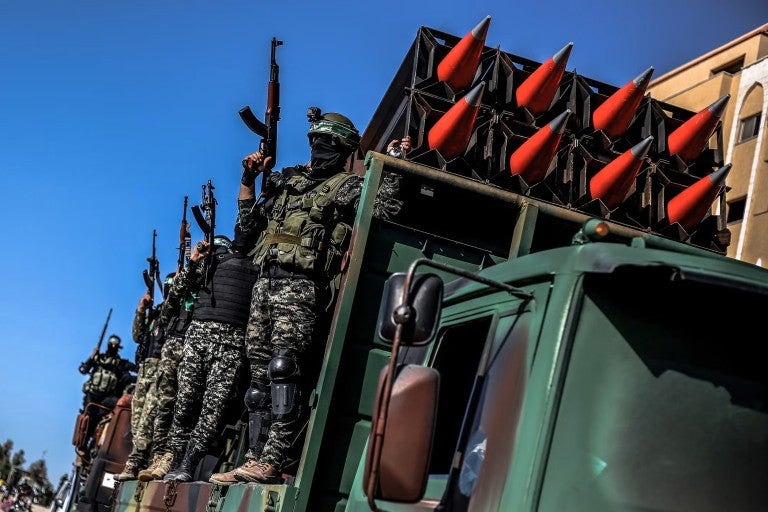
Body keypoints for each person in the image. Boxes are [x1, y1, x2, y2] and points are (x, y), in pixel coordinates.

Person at [210, 108, 409, 485]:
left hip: (301, 287)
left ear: (344, 149)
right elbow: (244, 236)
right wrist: (248, 181)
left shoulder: (345, 186)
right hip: (264, 285)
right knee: (256, 386)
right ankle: (252, 457)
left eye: (329, 144)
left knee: (283, 370)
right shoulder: (286, 183)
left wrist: (394, 165)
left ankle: (271, 460)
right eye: (317, 141)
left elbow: (384, 209)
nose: (320, 149)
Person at [149, 229, 259, 482]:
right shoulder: (208, 267)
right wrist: (194, 261)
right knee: (184, 405)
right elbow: (175, 296)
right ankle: (175, 459)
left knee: (212, 410)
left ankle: (188, 464)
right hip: (199, 341)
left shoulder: (256, 267)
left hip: (230, 348)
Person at [136, 273, 196, 481]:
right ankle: (144, 458)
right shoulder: (159, 313)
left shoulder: (184, 305)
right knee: (141, 422)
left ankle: (158, 457)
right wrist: (141, 310)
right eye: (168, 285)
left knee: (161, 412)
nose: (170, 288)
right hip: (149, 370)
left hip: (166, 365)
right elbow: (137, 335)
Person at [115, 285, 170, 481]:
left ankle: (137, 460)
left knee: (149, 414)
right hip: (145, 368)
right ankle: (138, 459)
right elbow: (137, 336)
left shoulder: (177, 313)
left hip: (161, 367)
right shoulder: (154, 314)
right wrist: (141, 309)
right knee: (137, 419)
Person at [78, 334, 135, 456]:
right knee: (88, 420)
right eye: (111, 344)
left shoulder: (120, 363)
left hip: (107, 399)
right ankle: (83, 448)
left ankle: (103, 445)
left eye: (116, 344)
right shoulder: (98, 358)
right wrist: (91, 357)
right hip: (92, 396)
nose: (113, 346)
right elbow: (83, 370)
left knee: (119, 410)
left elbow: (134, 371)